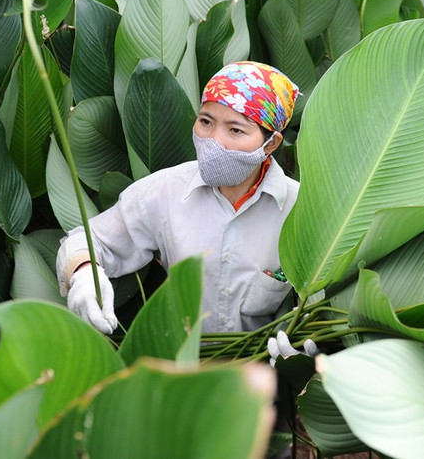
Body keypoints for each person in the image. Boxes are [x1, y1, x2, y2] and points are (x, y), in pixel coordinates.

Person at [56, 61, 305, 346]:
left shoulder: (299, 208)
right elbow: (85, 240)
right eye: (206, 122)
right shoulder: (165, 191)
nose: (213, 141)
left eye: (235, 130)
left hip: (260, 377)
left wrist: (302, 355)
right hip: (179, 371)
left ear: (271, 144)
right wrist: (84, 273)